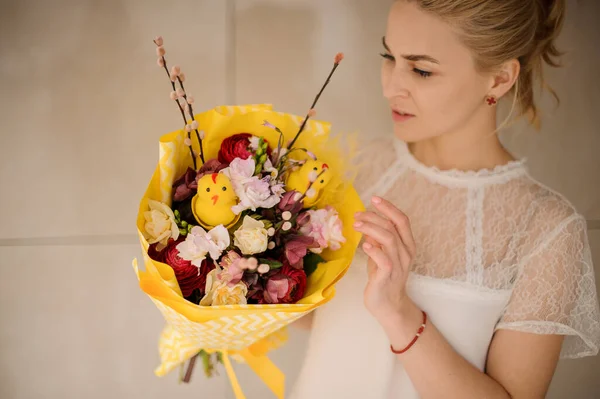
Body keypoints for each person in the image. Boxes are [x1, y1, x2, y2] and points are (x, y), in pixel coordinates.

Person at [289, 1, 600, 398]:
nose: (390, 86)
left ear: (499, 79)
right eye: (390, 57)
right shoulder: (358, 167)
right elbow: (326, 324)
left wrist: (399, 314)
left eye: (421, 70)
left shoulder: (547, 229)